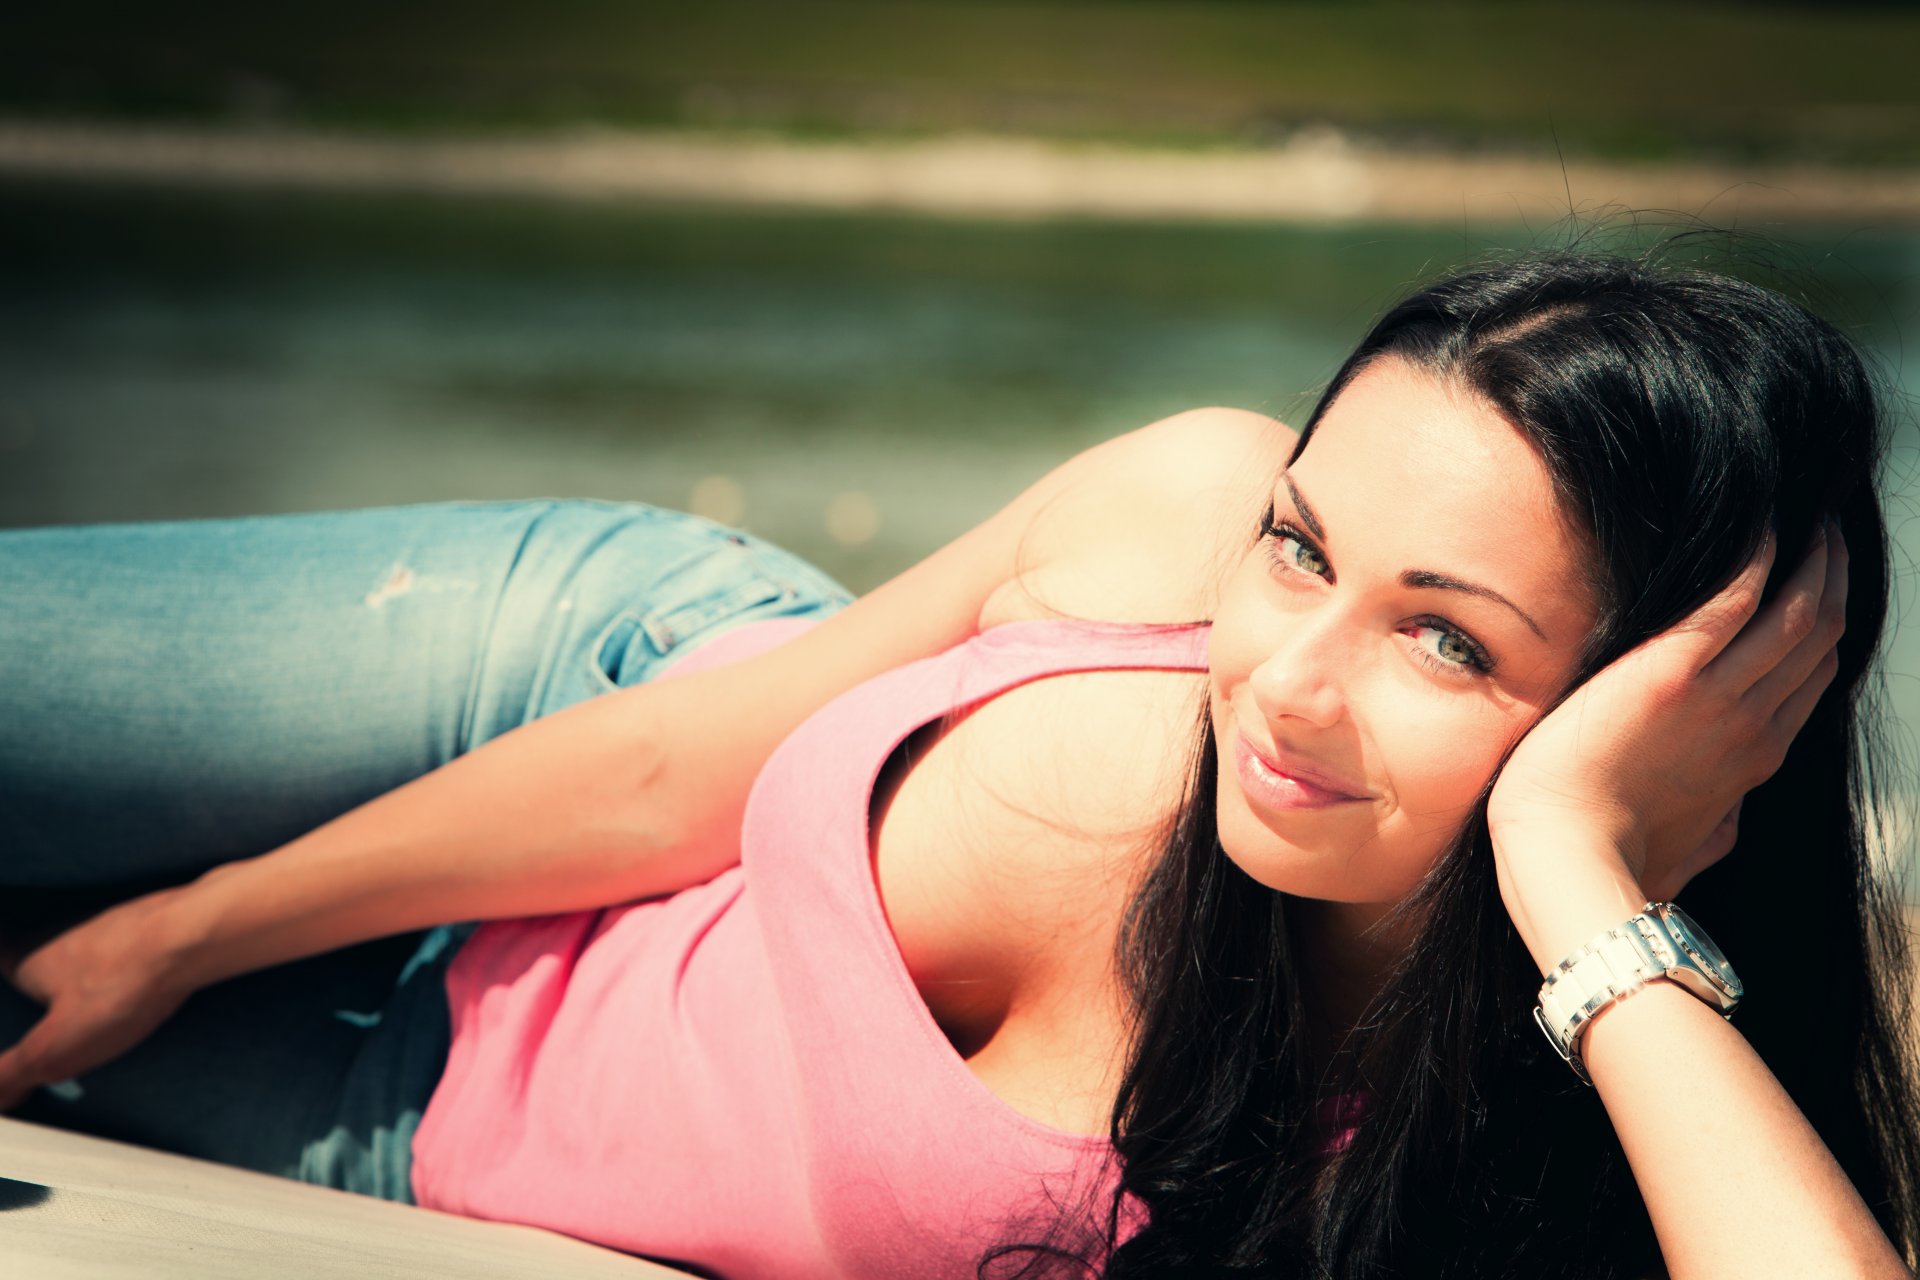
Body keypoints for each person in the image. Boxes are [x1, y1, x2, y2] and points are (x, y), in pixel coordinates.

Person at [1, 246, 1915, 1279]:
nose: (1284, 687)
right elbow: (670, 777)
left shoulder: (1492, 1168)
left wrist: (1581, 880)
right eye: (1303, 546)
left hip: (415, 1120)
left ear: (1675, 703)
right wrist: (186, 929)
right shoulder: (1173, 534)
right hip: (523, 709)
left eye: (1448, 638)